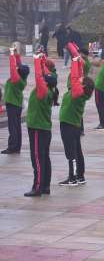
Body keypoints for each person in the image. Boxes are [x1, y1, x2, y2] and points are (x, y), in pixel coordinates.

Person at [58, 48, 94, 186]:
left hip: (68, 124)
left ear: (83, 85)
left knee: (71, 153)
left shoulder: (77, 93)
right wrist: (78, 62)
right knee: (77, 151)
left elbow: (74, 78)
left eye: (81, 80)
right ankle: (80, 175)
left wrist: (74, 63)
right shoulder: (81, 92)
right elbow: (78, 75)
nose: (80, 78)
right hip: (74, 124)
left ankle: (72, 177)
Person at [24, 53, 57, 197]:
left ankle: (37, 187)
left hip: (37, 128)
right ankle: (45, 186)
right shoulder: (50, 89)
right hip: (43, 128)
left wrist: (37, 61)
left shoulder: (42, 91)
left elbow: (38, 76)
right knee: (44, 158)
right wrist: (43, 60)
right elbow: (45, 75)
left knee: (37, 158)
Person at [2, 45, 29, 154]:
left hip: (12, 104)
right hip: (17, 104)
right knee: (16, 126)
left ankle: (12, 147)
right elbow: (18, 66)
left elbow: (13, 67)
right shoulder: (22, 78)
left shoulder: (16, 79)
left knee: (12, 126)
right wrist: (16, 54)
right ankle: (16, 146)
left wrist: (12, 55)